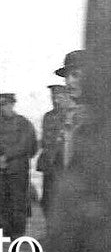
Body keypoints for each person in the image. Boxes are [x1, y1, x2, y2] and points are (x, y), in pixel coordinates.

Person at [0, 93, 38, 238]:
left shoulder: (23, 123)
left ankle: (17, 234)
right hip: (0, 170)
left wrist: (7, 157)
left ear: (12, 104)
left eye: (5, 105)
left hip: (17, 170)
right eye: (0, 106)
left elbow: (28, 145)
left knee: (18, 202)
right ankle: (0, 233)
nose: (2, 108)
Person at [37, 83, 72, 216]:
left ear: (66, 97)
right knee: (47, 202)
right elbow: (45, 140)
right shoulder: (48, 117)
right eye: (53, 97)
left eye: (59, 97)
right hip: (50, 166)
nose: (55, 100)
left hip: (65, 166)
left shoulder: (71, 116)